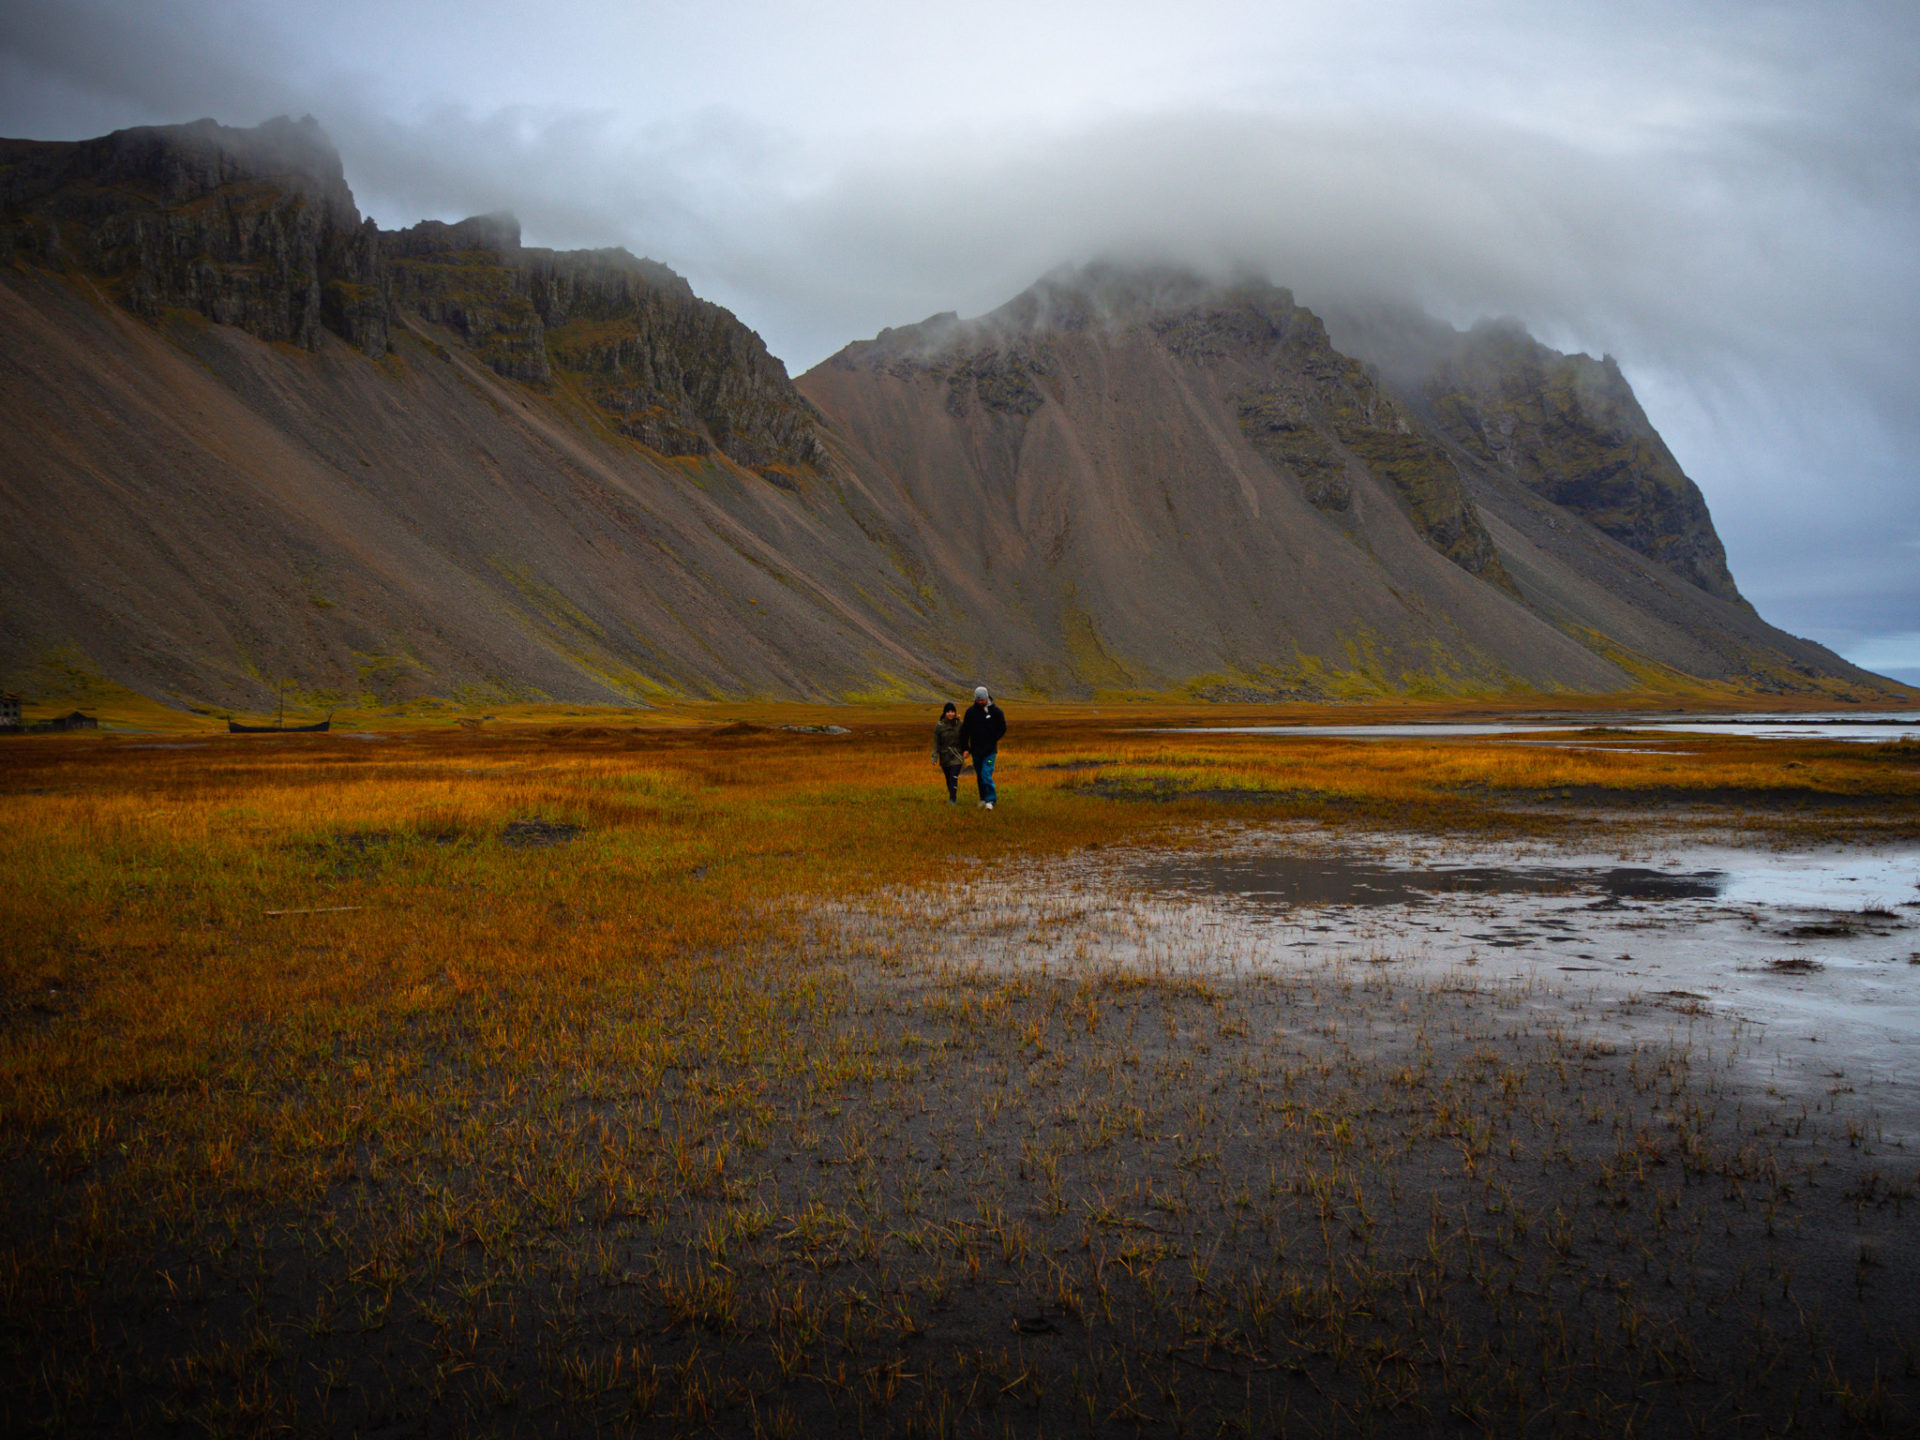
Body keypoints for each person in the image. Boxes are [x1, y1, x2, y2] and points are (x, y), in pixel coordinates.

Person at [957, 685, 1007, 809]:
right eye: (978, 700)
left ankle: (991, 800)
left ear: (986, 698)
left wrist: (993, 739)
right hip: (976, 751)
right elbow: (965, 732)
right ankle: (982, 798)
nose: (980, 702)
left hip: (990, 752)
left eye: (982, 700)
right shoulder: (970, 712)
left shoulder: (996, 712)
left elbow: (1002, 728)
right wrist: (965, 748)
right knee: (979, 774)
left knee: (986, 773)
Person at [932, 701, 965, 803]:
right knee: (948, 779)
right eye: (948, 712)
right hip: (945, 756)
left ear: (955, 713)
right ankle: (952, 795)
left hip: (957, 755)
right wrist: (934, 757)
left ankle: (952, 799)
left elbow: (966, 738)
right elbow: (936, 742)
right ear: (945, 713)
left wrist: (967, 750)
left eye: (952, 711)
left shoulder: (960, 724)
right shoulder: (939, 726)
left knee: (953, 777)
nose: (950, 714)